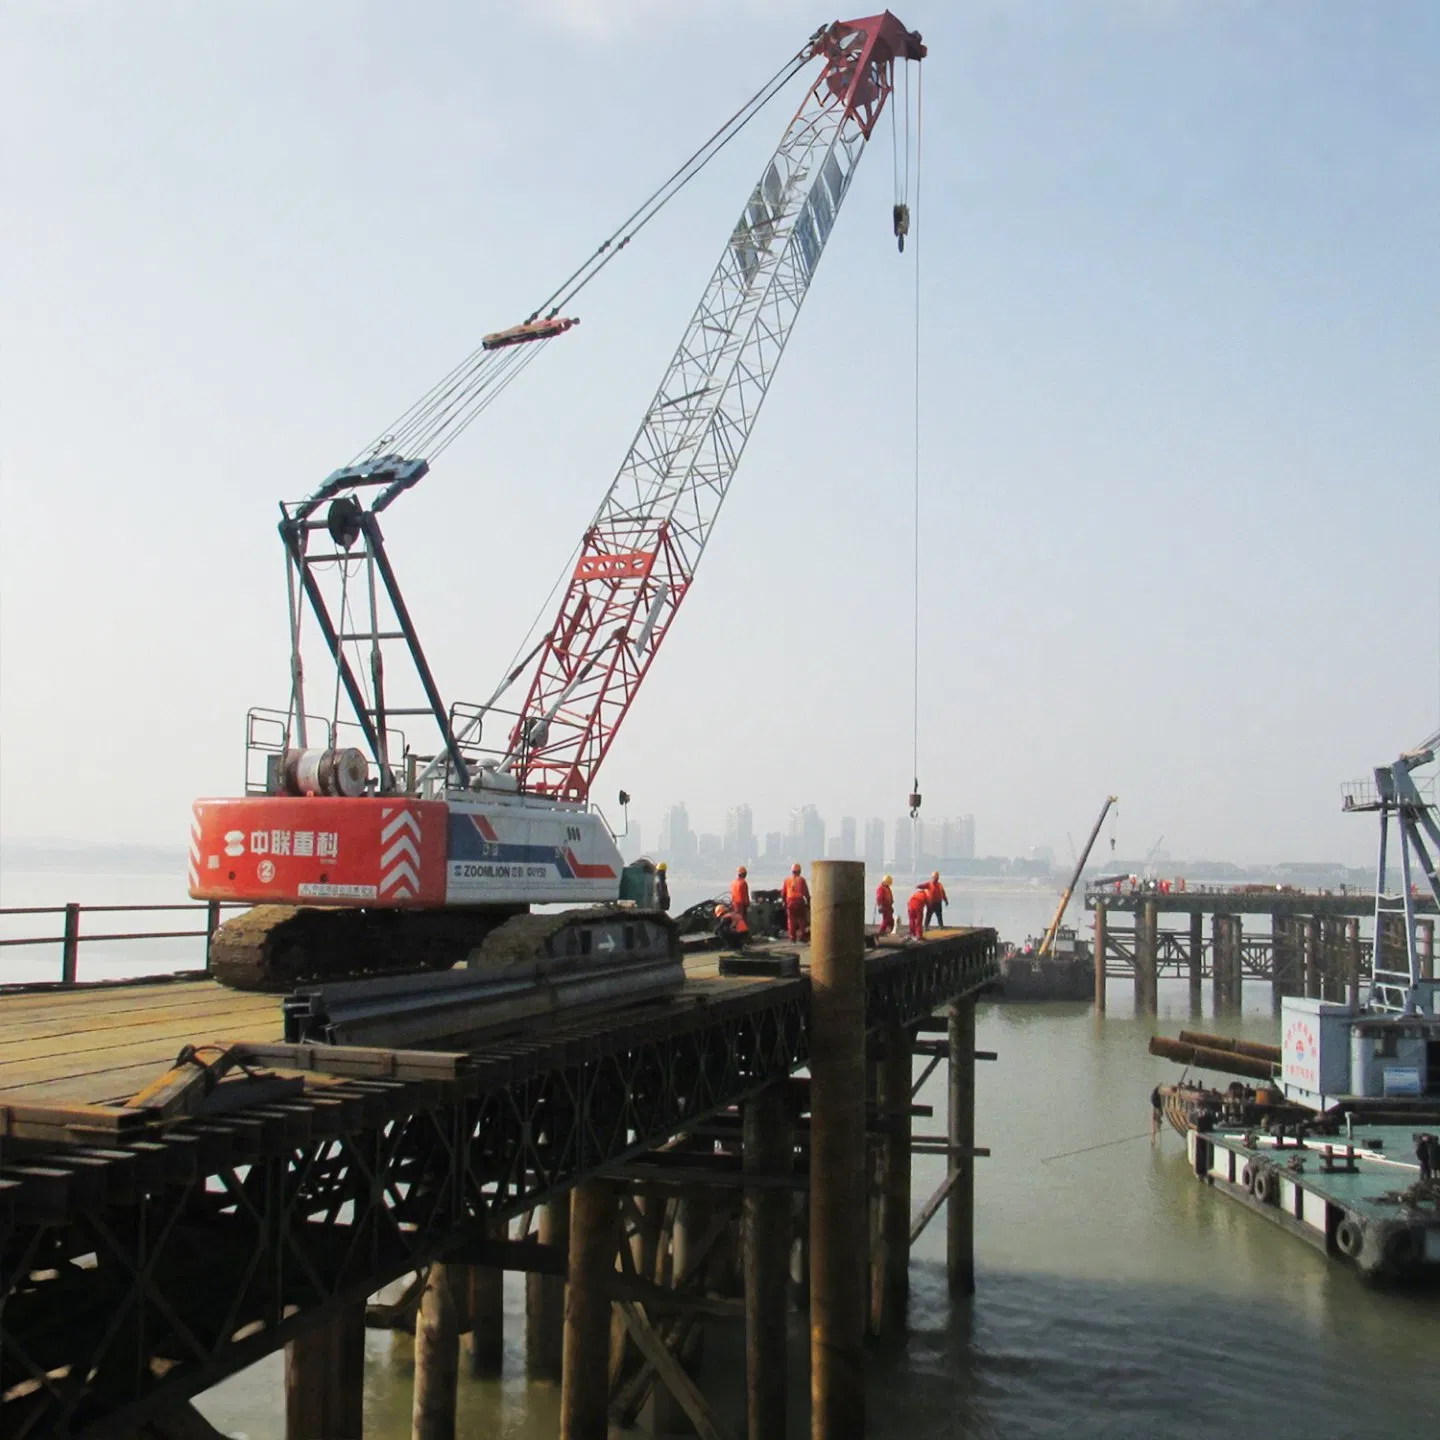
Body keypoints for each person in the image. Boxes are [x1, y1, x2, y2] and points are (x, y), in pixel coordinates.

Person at [781, 863, 810, 942]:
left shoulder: (787, 880)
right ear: (799, 871)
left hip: (790, 902)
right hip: (799, 901)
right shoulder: (802, 880)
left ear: (792, 871)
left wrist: (783, 901)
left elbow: (783, 893)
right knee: (802, 920)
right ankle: (802, 937)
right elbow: (806, 892)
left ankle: (792, 938)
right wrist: (808, 901)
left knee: (791, 920)